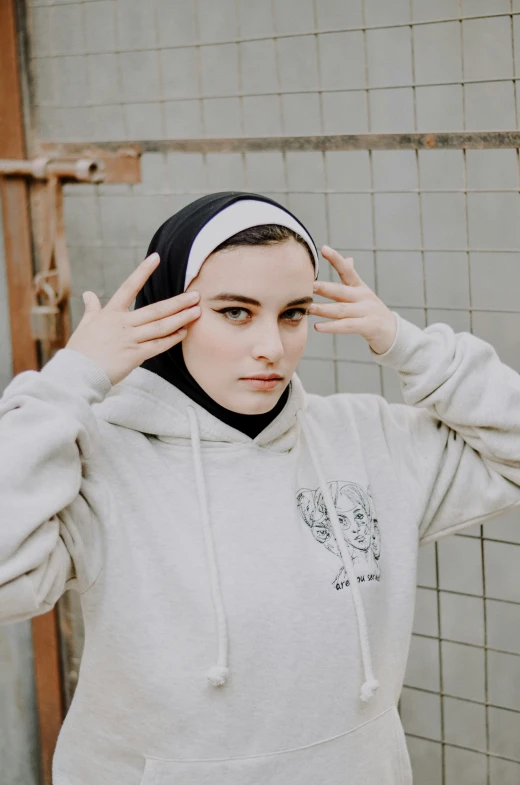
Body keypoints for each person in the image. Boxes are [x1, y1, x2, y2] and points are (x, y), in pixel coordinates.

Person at [1, 191, 519, 785]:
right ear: (167, 310)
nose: (272, 347)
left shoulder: (368, 439)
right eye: (236, 312)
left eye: (294, 312)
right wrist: (72, 378)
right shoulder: (101, 459)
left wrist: (406, 344)